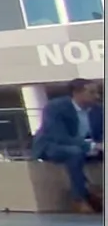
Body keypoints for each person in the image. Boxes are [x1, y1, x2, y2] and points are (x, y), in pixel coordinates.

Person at [33, 78, 103, 213]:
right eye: (92, 92)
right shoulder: (54, 108)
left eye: (97, 92)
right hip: (52, 146)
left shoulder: (98, 110)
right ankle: (78, 199)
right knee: (74, 153)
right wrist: (92, 146)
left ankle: (96, 191)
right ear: (77, 93)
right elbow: (59, 136)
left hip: (84, 145)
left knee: (80, 150)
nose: (97, 96)